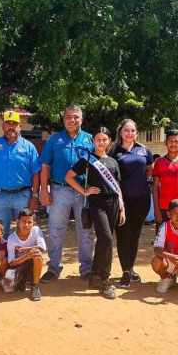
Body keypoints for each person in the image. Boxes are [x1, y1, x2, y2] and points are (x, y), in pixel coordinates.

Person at [66, 126, 125, 299]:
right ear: (93, 141)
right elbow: (68, 177)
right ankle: (104, 279)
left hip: (113, 203)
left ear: (109, 142)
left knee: (105, 240)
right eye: (98, 139)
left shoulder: (113, 161)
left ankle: (95, 276)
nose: (101, 142)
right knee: (106, 238)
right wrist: (84, 191)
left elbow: (117, 186)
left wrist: (122, 207)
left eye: (104, 139)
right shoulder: (87, 159)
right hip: (97, 203)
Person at [38, 104, 94, 281]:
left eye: (76, 117)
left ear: (81, 119)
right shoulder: (54, 140)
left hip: (83, 192)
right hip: (59, 190)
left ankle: (86, 268)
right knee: (56, 229)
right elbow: (45, 166)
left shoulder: (90, 139)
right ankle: (54, 267)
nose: (72, 120)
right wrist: (44, 190)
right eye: (68, 117)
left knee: (86, 230)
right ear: (63, 119)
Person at [111, 119, 154, 287]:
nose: (129, 134)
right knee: (123, 234)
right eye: (126, 130)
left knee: (135, 235)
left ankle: (130, 268)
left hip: (141, 199)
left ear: (136, 133)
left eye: (132, 131)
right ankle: (125, 271)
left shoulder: (144, 150)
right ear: (120, 132)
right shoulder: (114, 151)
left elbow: (149, 169)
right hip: (121, 200)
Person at [0, 110, 40, 237]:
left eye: (14, 124)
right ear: (3, 126)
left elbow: (36, 173)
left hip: (23, 196)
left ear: (20, 126)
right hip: (0, 196)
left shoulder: (29, 147)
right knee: (0, 233)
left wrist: (35, 196)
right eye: (7, 123)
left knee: (24, 231)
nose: (11, 127)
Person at [152, 129, 178, 225]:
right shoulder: (159, 162)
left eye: (176, 141)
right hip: (164, 208)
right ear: (165, 143)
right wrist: (156, 210)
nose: (173, 144)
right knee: (163, 234)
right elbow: (155, 188)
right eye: (170, 141)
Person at [5, 209, 46, 301]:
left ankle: (35, 286)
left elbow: (42, 247)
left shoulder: (36, 230)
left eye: (29, 222)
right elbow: (11, 262)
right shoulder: (12, 238)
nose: (26, 225)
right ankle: (21, 280)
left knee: (37, 254)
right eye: (23, 221)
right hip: (19, 266)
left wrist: (25, 250)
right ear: (18, 222)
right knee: (8, 284)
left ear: (33, 223)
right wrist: (27, 255)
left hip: (32, 265)